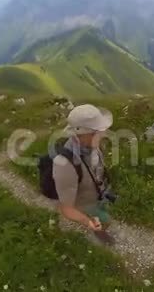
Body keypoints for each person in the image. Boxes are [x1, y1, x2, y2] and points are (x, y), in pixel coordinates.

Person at [53, 104, 116, 245]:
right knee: (105, 220)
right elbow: (66, 208)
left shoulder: (90, 145)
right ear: (82, 134)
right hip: (85, 204)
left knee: (104, 213)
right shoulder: (64, 165)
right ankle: (100, 233)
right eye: (98, 131)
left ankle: (100, 225)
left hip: (98, 195)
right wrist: (87, 221)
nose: (103, 134)